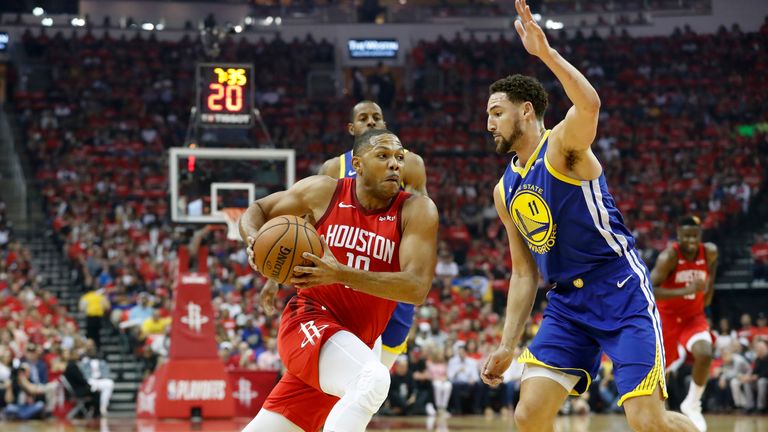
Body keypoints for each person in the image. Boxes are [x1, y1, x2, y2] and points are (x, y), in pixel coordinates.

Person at [479, 1, 697, 431]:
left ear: (526, 111)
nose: (489, 123)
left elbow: (590, 105)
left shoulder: (562, 146)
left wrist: (546, 55)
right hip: (566, 305)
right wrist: (508, 343)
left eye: (496, 112)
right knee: (528, 414)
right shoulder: (504, 190)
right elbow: (524, 273)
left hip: (618, 288)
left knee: (647, 423)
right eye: (487, 115)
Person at [239, 128, 438, 432]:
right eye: (383, 156)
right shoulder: (324, 192)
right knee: (373, 379)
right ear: (357, 164)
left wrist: (341, 273)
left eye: (399, 157)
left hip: (355, 344)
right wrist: (254, 239)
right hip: (308, 320)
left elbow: (416, 288)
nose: (395, 164)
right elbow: (259, 210)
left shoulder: (416, 210)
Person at [260, 100, 429, 370]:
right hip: (339, 279)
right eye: (364, 118)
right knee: (347, 372)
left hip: (385, 277)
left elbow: (422, 228)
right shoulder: (333, 169)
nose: (371, 122)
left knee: (377, 375)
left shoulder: (410, 164)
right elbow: (305, 226)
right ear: (352, 128)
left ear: (385, 124)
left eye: (377, 117)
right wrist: (273, 277)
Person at [650, 215, 718, 431]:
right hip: (667, 319)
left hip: (693, 317)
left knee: (705, 353)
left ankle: (692, 403)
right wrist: (686, 290)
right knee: (661, 372)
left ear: (700, 235)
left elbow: (710, 279)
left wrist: (705, 295)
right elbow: (650, 290)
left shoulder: (709, 252)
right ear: (678, 235)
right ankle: (661, 415)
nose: (690, 240)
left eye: (694, 236)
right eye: (686, 235)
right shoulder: (669, 257)